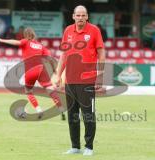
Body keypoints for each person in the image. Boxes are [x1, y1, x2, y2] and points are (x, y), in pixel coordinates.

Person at [55, 5, 105, 156]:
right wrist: (58, 75)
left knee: (88, 115)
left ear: (87, 16)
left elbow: (101, 54)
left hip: (88, 81)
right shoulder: (68, 31)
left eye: (83, 15)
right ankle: (75, 146)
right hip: (70, 80)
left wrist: (100, 76)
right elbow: (64, 55)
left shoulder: (94, 30)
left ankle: (89, 147)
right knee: (72, 116)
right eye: (78, 15)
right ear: (73, 16)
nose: (81, 18)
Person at [0, 27, 62, 118]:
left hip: (30, 70)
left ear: (25, 35)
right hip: (41, 69)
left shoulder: (25, 41)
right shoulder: (40, 45)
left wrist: (1, 40)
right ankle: (61, 108)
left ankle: (39, 110)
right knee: (50, 89)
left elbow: (16, 42)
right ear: (34, 34)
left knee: (28, 91)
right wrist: (54, 72)